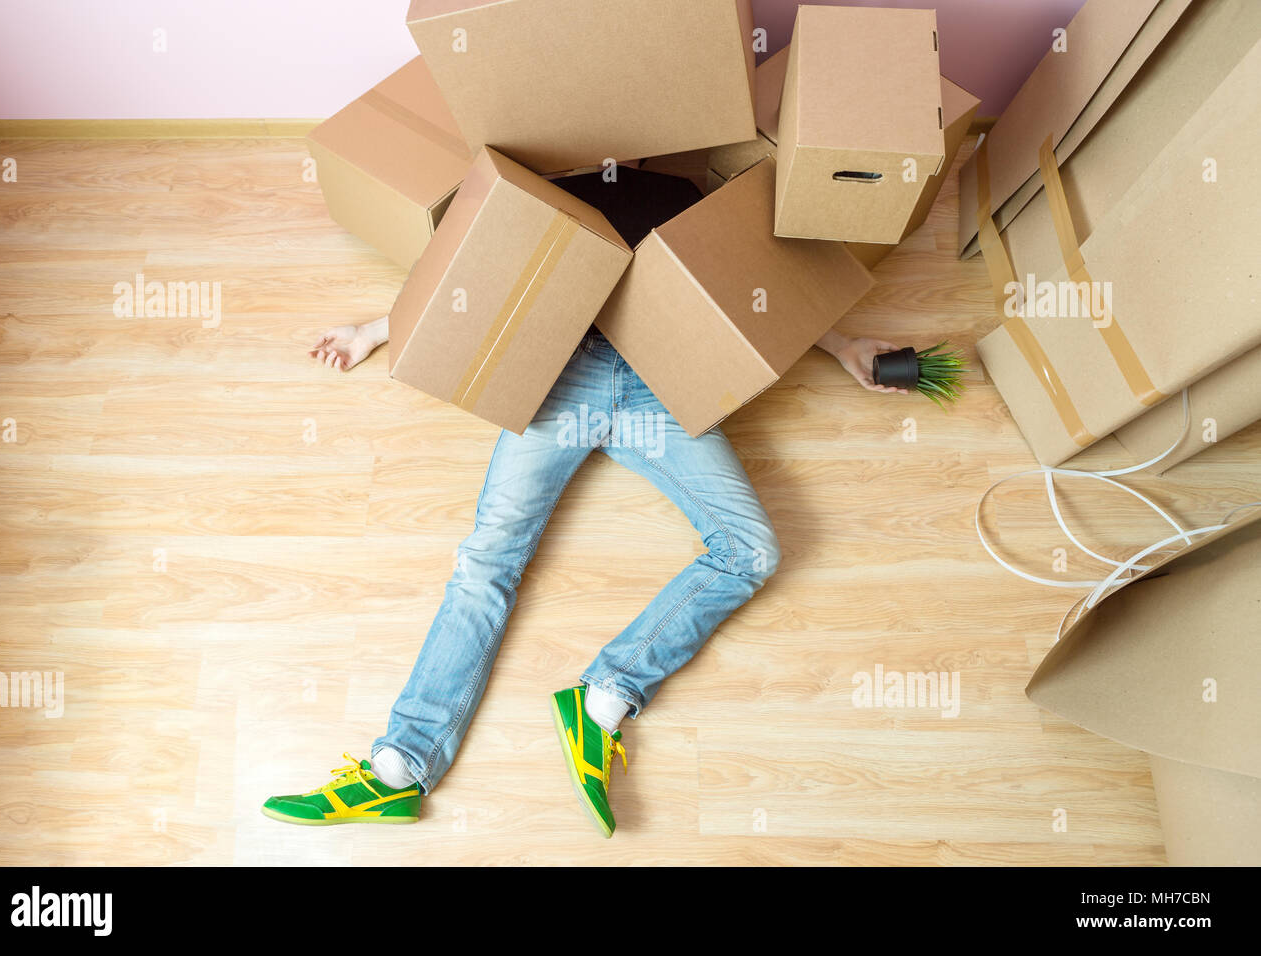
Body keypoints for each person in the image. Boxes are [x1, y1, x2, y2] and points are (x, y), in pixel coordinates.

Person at [264, 173, 906, 837]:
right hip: (561, 378)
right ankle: (397, 772)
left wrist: (844, 345)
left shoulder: (686, 191)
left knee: (753, 550)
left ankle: (602, 699)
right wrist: (378, 329)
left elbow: (753, 287)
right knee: (488, 560)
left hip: (658, 383)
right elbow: (472, 276)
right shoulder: (537, 180)